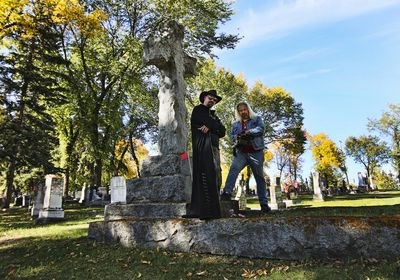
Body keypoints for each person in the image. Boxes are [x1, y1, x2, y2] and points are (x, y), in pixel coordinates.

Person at [220, 102, 271, 212]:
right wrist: (237, 137)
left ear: (248, 109)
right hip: (241, 152)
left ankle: (264, 203)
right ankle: (227, 193)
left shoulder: (257, 119)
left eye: (244, 109)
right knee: (233, 169)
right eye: (240, 110)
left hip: (256, 152)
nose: (243, 112)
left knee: (259, 177)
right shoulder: (235, 124)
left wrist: (249, 132)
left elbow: (261, 129)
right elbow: (232, 137)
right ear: (238, 112)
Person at [184, 89, 226, 220]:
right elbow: (211, 123)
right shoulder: (198, 109)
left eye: (214, 100)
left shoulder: (213, 115)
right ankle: (205, 211)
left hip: (214, 148)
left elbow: (223, 131)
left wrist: (211, 126)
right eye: (210, 98)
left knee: (215, 175)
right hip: (202, 148)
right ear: (204, 98)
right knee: (204, 175)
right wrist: (214, 126)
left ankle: (212, 209)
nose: (212, 101)